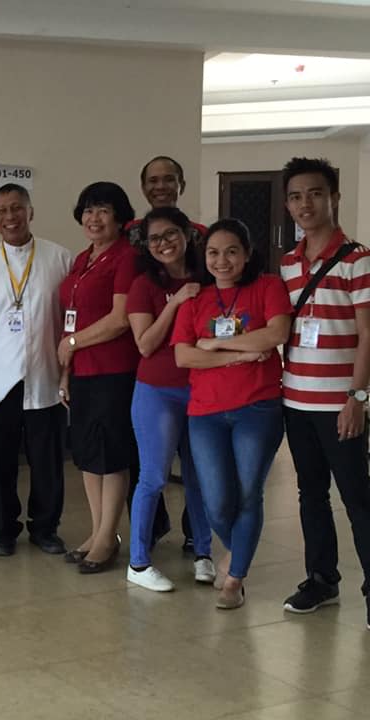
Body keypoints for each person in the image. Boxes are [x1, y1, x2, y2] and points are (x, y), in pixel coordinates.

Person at [172, 218, 292, 609]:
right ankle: (236, 549)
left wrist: (213, 345)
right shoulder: (194, 299)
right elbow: (183, 355)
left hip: (257, 407)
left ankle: (235, 578)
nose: (221, 260)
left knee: (248, 492)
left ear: (247, 254)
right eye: (212, 252)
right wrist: (239, 355)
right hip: (205, 412)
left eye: (231, 251)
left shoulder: (267, 287)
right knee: (217, 501)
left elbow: (276, 334)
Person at [278, 156, 370, 629]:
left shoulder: (358, 260)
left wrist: (359, 398)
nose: (304, 204)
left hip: (341, 405)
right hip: (296, 401)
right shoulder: (287, 266)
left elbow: (368, 334)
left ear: (334, 197)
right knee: (309, 493)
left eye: (314, 193)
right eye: (295, 196)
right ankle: (321, 579)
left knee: (357, 496)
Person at [0, 184, 72, 557]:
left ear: (30, 211)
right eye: (1, 211)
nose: (9, 217)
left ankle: (45, 528)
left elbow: (72, 321)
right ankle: (1, 530)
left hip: (46, 376)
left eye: (16, 209)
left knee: (48, 461)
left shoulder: (60, 259)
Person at [125, 207, 214, 591]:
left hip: (203, 388)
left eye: (170, 234)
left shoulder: (208, 278)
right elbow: (144, 345)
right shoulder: (144, 285)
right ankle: (139, 563)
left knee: (200, 477)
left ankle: (204, 554)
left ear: (187, 235)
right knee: (154, 476)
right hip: (156, 391)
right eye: (155, 238)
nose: (163, 243)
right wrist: (175, 302)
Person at [57, 182, 138, 574]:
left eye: (103, 210)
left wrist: (72, 342)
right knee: (89, 456)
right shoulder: (82, 260)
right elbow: (73, 314)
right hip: (84, 372)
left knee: (111, 455)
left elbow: (120, 320)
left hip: (114, 371)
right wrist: (66, 371)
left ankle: (108, 536)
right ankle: (96, 530)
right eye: (88, 210)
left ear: (120, 217)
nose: (94, 218)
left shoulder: (126, 258)